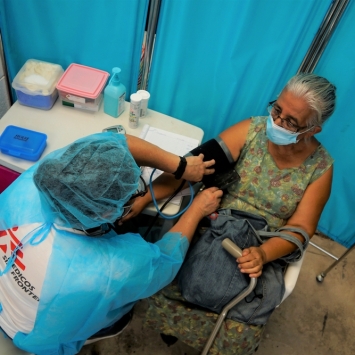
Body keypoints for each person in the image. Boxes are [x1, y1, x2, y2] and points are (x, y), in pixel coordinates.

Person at [120, 73, 336, 353]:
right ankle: (170, 328)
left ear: (312, 130)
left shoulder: (320, 168)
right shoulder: (251, 132)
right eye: (277, 109)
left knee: (241, 324)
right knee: (166, 276)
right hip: (213, 223)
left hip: (262, 245)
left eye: (290, 122)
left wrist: (264, 254)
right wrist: (144, 198)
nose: (277, 122)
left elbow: (300, 230)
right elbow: (191, 168)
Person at [0, 132, 222, 355]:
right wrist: (197, 209)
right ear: (108, 212)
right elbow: (165, 262)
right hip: (35, 337)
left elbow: (113, 143)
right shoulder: (112, 268)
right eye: (129, 196)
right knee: (117, 310)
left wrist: (181, 165)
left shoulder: (34, 182)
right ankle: (106, 328)